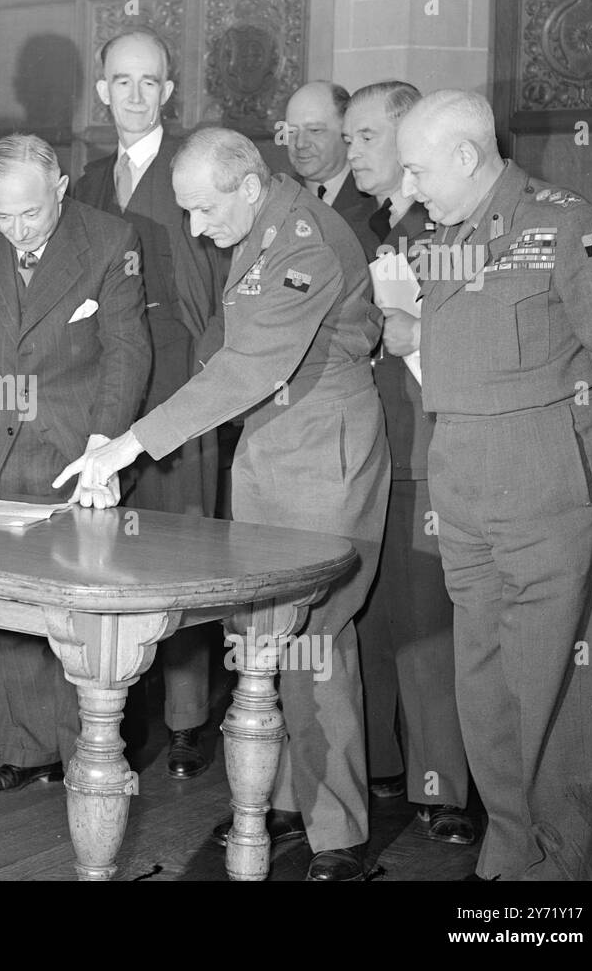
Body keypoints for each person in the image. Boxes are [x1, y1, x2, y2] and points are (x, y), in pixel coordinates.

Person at [58, 127, 390, 880]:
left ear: (246, 185)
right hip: (271, 449)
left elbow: (250, 365)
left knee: (317, 636)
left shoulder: (304, 238)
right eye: (186, 214)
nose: (197, 229)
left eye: (204, 211)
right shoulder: (259, 225)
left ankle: (337, 835)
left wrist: (132, 443)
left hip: (320, 451)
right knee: (265, 630)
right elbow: (219, 342)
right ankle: (273, 800)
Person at [393, 89, 592, 880]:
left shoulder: (572, 225)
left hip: (548, 479)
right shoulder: (438, 236)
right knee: (485, 679)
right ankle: (509, 847)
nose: (410, 187)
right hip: (462, 482)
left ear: (466, 156)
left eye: (419, 169)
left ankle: (561, 872)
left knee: (555, 683)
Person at [0, 133, 150, 792]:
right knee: (9, 605)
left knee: (77, 609)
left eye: (32, 214)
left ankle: (87, 755)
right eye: (3, 215)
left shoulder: (110, 239)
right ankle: (26, 750)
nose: (16, 230)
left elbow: (126, 352)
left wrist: (106, 443)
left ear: (61, 189)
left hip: (77, 449)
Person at [72, 27, 228, 779]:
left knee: (182, 550)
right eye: (120, 81)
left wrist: (204, 377)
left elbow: (226, 283)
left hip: (180, 383)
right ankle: (117, 711)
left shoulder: (194, 164)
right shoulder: (87, 179)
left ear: (169, 92)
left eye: (150, 82)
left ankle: (189, 717)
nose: (134, 95)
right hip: (109, 385)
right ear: (101, 90)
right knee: (110, 556)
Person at [342, 81, 474, 841]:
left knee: (427, 624)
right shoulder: (356, 225)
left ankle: (441, 790)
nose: (351, 149)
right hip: (364, 454)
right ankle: (384, 766)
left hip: (428, 450)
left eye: (364, 136)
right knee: (369, 617)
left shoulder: (449, 225)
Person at [284, 80, 374, 233]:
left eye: (314, 130)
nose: (300, 143)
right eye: (292, 131)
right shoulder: (278, 197)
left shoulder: (374, 196)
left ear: (346, 131)